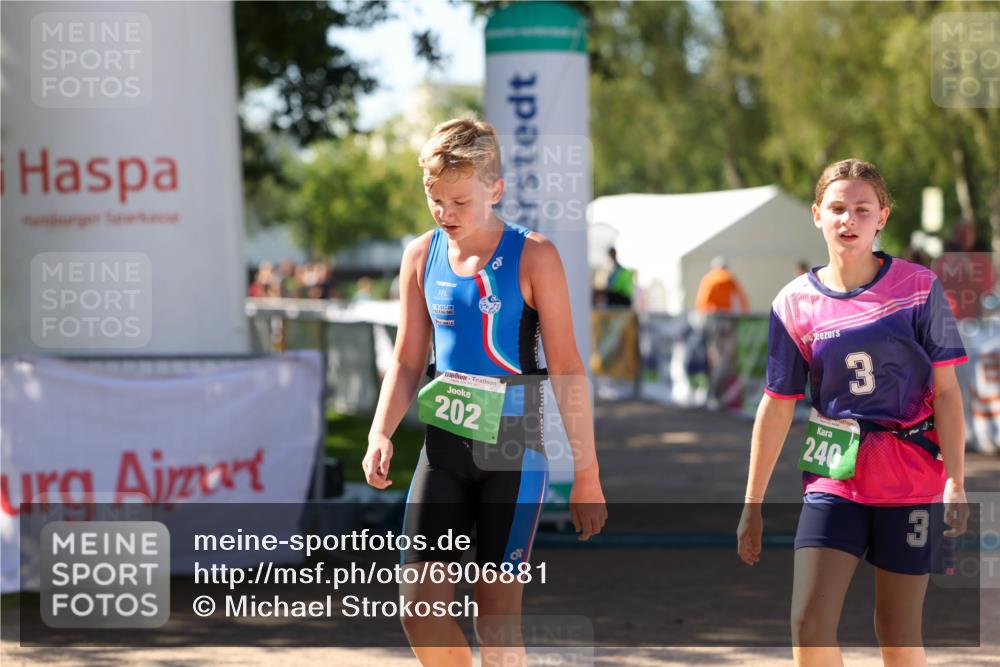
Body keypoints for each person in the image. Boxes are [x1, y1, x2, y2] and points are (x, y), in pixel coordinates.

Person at [363, 118, 607, 667]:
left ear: (495, 189)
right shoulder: (420, 257)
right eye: (434, 199)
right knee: (418, 609)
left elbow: (567, 367)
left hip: (513, 452)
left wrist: (587, 474)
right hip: (443, 449)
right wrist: (381, 431)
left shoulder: (534, 255)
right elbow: (407, 359)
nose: (444, 212)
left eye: (458, 200)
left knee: (495, 623)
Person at [737, 159, 970, 666]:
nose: (849, 220)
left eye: (862, 210)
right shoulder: (793, 303)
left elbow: (949, 392)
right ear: (816, 214)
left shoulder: (919, 288)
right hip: (833, 476)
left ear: (882, 217)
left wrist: (956, 479)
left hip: (911, 480)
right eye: (837, 208)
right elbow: (777, 406)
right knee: (809, 624)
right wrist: (752, 500)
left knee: (898, 634)